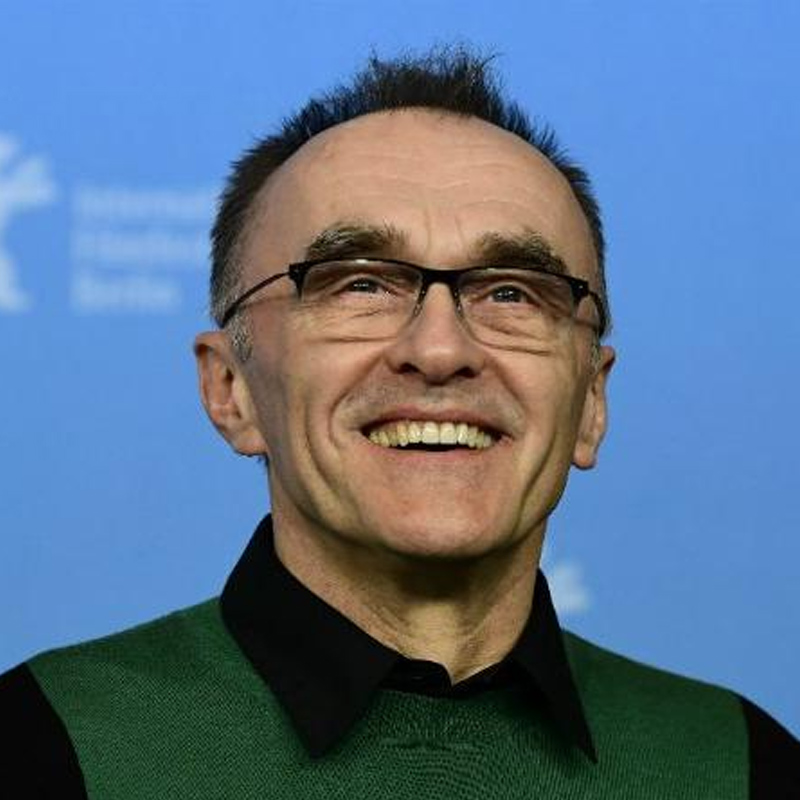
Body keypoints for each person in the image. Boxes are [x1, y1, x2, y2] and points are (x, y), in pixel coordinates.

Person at [1, 48, 797, 798]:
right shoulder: (42, 746)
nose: (441, 349)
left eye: (512, 293)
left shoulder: (741, 766)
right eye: (359, 285)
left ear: (591, 402)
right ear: (231, 389)